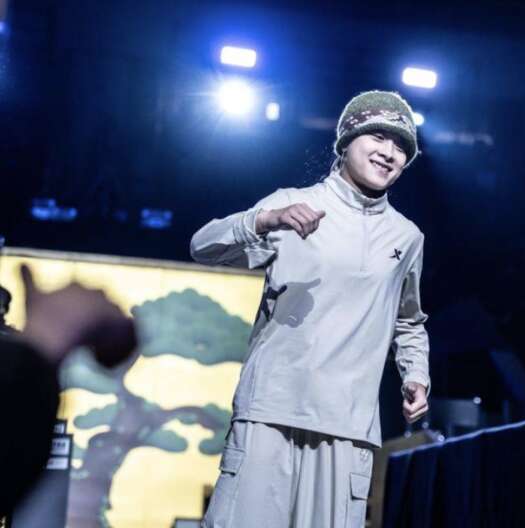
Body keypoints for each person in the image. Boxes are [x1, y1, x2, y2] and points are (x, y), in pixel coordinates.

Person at [191, 90, 431, 528]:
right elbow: (202, 247)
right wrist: (263, 220)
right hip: (270, 407)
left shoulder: (406, 236)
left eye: (401, 147)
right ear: (347, 141)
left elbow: (408, 318)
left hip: (348, 422)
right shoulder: (290, 203)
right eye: (379, 137)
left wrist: (415, 374)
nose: (390, 152)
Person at [0, 265, 137, 517]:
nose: (77, 280)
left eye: (101, 295)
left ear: (82, 323)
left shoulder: (26, 382)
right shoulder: (30, 380)